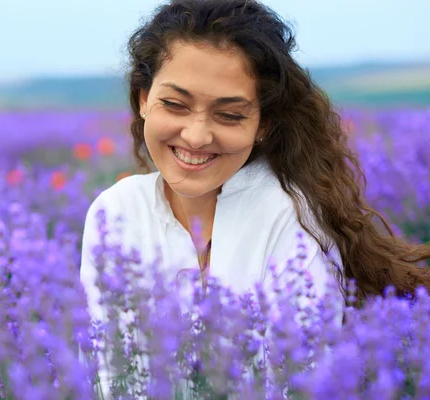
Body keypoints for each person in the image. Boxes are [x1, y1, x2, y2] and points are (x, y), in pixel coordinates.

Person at [79, 0, 430, 396]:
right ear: (144, 100)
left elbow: (299, 382)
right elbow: (110, 375)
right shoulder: (116, 212)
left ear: (263, 124)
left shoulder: (289, 217)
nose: (196, 136)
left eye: (229, 115)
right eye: (175, 104)